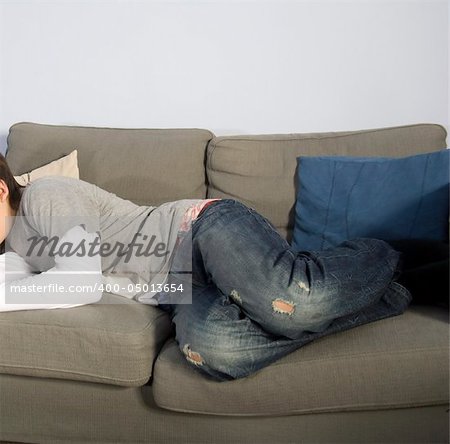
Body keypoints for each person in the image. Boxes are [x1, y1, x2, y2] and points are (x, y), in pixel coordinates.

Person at [0, 153, 423, 381]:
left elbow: (79, 283)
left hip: (198, 232)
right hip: (177, 289)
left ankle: (388, 253)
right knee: (217, 352)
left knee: (293, 301)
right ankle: (390, 291)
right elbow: (12, 289)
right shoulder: (13, 248)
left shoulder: (45, 195)